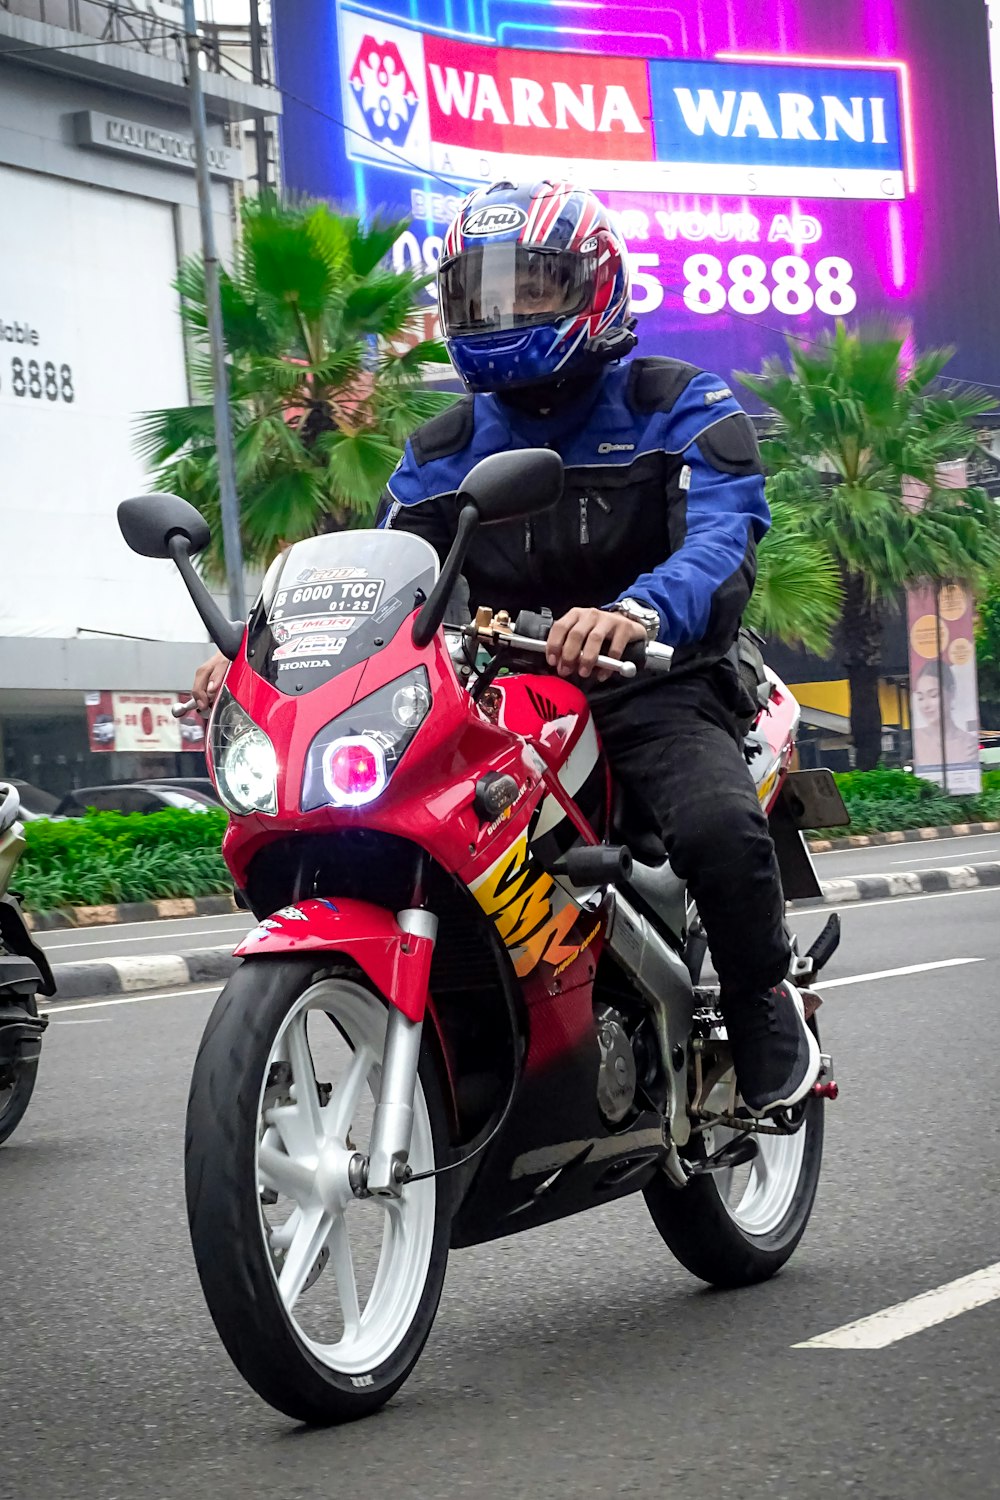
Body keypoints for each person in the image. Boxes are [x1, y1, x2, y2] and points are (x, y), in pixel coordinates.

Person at [194, 178, 819, 1116]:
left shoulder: (680, 403)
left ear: (594, 288)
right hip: (491, 692)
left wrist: (636, 612)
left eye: (533, 286)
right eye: (481, 293)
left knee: (715, 830)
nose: (503, 311)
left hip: (653, 682)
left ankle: (766, 1008)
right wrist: (257, 647)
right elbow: (375, 575)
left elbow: (724, 537)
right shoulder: (438, 449)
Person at [912, 658, 979, 768]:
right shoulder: (916, 740)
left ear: (951, 692)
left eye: (933, 695)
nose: (926, 705)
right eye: (920, 698)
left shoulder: (968, 744)